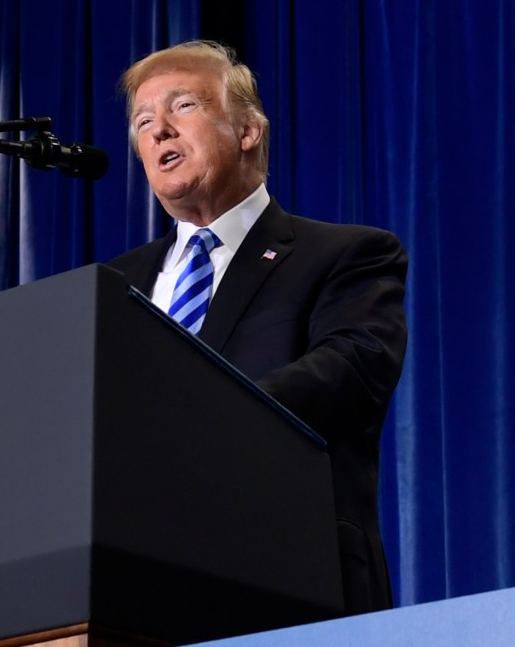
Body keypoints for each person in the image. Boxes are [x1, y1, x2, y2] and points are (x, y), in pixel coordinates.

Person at [102, 41, 408, 613]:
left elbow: (350, 371)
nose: (159, 130)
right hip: (129, 586)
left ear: (248, 131)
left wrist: (195, 419)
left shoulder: (347, 255)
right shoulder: (110, 288)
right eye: (144, 121)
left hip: (287, 574)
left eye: (183, 106)